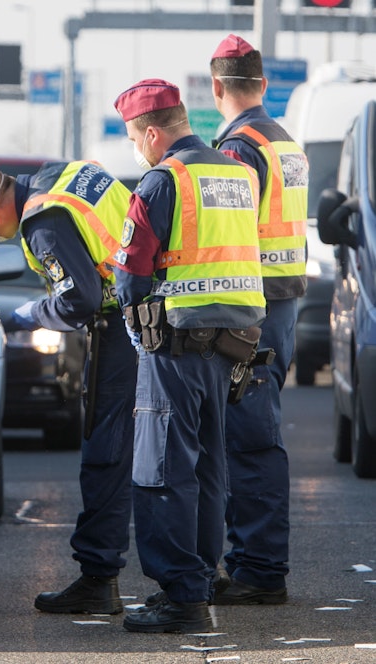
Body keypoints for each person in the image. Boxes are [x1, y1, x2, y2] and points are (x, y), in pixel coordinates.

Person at [0, 159, 137, 615]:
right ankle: (195, 577)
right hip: (160, 315)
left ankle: (98, 579)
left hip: (123, 331)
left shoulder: (43, 221)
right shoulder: (65, 173)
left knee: (105, 456)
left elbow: (77, 302)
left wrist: (19, 317)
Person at [111, 78, 266, 633]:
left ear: (152, 134)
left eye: (134, 138)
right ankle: (199, 579)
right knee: (206, 467)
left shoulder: (161, 181)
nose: (137, 149)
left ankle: (181, 598)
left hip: (174, 347)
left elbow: (129, 278)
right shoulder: (237, 172)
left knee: (162, 472)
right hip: (231, 347)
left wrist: (133, 323)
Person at [210, 33, 308, 606]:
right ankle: (250, 560)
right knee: (252, 435)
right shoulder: (283, 140)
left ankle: (260, 570)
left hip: (252, 311)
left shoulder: (238, 148)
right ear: (264, 84)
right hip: (282, 305)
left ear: (216, 86)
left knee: (249, 442)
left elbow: (226, 234)